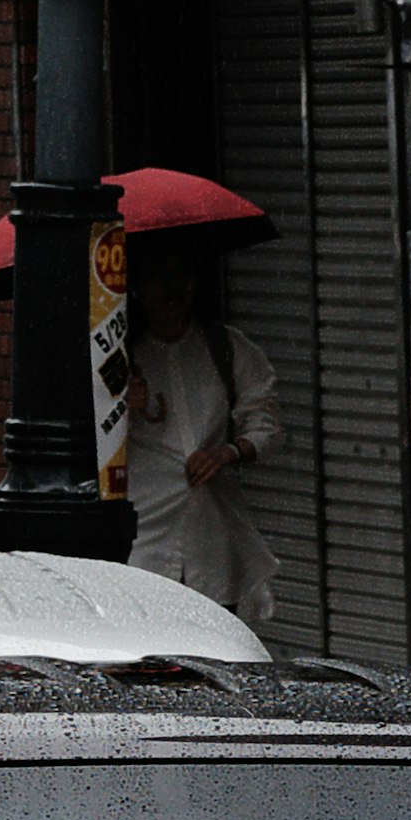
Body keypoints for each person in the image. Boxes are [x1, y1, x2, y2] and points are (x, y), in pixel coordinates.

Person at [122, 242, 283, 632]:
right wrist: (121, 406)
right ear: (139, 288)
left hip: (212, 534)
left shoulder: (228, 349)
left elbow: (267, 425)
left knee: (214, 637)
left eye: (182, 277)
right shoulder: (120, 359)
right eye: (159, 278)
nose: (172, 289)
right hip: (146, 534)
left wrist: (227, 453)